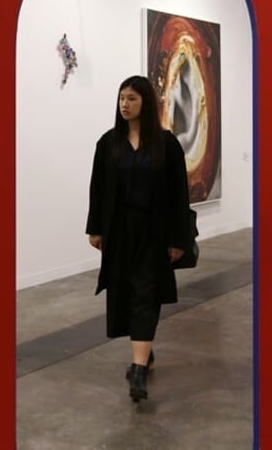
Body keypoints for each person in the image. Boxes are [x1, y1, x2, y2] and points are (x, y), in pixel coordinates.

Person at [85, 75, 193, 403]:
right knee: (126, 293)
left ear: (146, 102)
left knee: (146, 292)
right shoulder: (108, 143)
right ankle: (144, 349)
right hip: (119, 232)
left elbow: (178, 195)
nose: (124, 104)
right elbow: (98, 189)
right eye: (121, 98)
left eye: (131, 98)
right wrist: (95, 229)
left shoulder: (166, 144)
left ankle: (137, 370)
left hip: (154, 232)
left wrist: (178, 239)